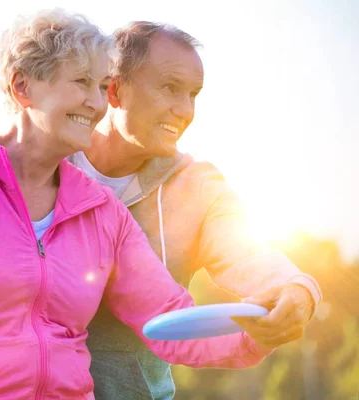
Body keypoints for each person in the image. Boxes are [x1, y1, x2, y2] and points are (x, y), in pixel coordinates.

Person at [0, 9, 275, 400]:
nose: (96, 104)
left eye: (100, 87)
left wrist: (259, 331)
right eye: (80, 82)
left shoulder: (102, 211)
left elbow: (167, 316)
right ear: (22, 86)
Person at [68, 21, 323, 399]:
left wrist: (297, 288)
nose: (184, 110)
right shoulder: (48, 161)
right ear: (115, 89)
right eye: (170, 88)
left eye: (193, 94)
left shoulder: (197, 186)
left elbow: (246, 249)